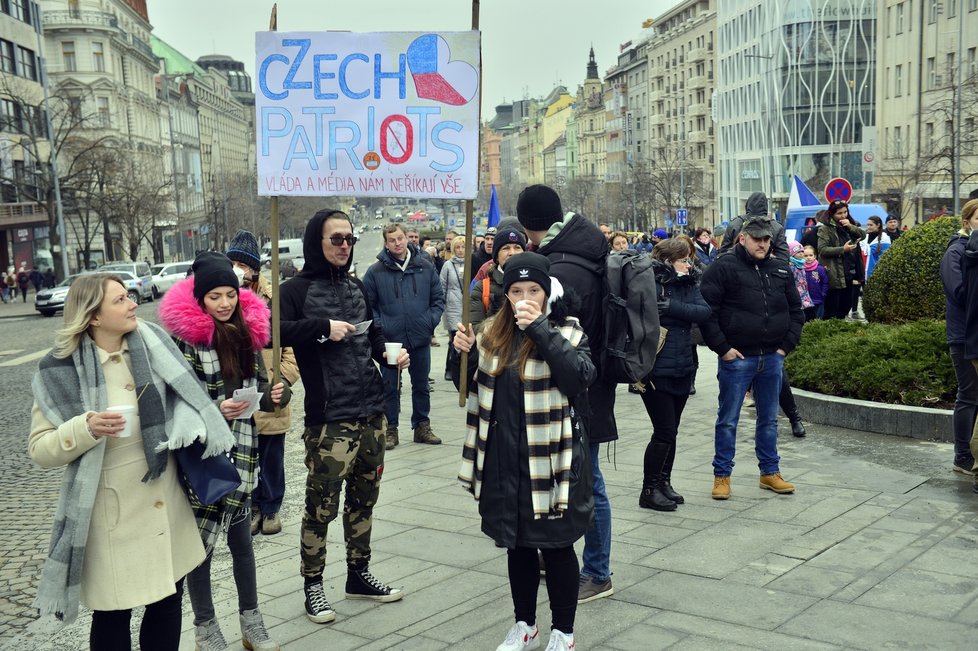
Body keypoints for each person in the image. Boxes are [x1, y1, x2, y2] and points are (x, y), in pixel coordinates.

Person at [29, 273, 234, 650]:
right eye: (121, 299)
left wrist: (215, 412)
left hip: (165, 500)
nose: (133, 303)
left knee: (168, 601)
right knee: (113, 613)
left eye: (129, 296)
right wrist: (85, 427)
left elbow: (184, 405)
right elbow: (40, 450)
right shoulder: (59, 369)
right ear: (93, 316)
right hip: (111, 514)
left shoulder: (153, 344)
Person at [453, 252, 595, 651]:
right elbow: (464, 386)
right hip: (503, 458)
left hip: (551, 460)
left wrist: (540, 330)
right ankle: (525, 624)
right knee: (517, 545)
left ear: (548, 293)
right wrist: (458, 351)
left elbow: (579, 377)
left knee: (557, 546)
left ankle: (563, 631)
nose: (525, 296)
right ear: (506, 294)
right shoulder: (489, 332)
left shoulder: (567, 330)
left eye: (534, 289)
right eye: (517, 290)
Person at [279, 209, 407, 624]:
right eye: (336, 239)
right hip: (330, 419)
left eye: (349, 239)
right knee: (321, 507)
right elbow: (272, 330)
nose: (345, 246)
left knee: (363, 501)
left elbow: (372, 335)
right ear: (317, 241)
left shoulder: (355, 286)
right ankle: (313, 586)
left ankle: (358, 574)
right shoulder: (294, 289)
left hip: (371, 411)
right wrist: (321, 328)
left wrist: (392, 354)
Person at [158, 252, 289, 651]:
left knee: (242, 545)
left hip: (244, 448)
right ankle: (206, 629)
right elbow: (174, 402)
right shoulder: (186, 342)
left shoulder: (246, 333)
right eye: (214, 296)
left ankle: (252, 623)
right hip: (204, 456)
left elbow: (262, 395)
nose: (225, 303)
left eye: (230, 294)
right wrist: (213, 411)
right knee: (202, 548)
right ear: (200, 299)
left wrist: (277, 395)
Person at [515, 184, 616, 604]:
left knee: (586, 481)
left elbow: (565, 337)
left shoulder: (561, 267)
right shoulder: (582, 249)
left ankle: (596, 570)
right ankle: (567, 559)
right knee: (578, 478)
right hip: (591, 384)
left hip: (579, 389)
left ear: (527, 225)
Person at [700, 217, 805, 500]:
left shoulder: (780, 267)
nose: (762, 243)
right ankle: (722, 476)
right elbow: (706, 311)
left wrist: (786, 346)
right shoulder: (723, 267)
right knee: (728, 420)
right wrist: (723, 348)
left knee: (769, 419)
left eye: (766, 239)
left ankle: (770, 472)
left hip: (772, 357)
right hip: (738, 358)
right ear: (742, 238)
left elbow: (797, 310)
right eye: (757, 238)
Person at [225, 230, 301, 536]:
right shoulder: (225, 299)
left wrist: (280, 380)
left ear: (254, 268)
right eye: (232, 263)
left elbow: (292, 350)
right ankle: (253, 506)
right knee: (246, 454)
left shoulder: (273, 301)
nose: (237, 269)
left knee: (272, 456)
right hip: (241, 393)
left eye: (242, 265)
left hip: (271, 391)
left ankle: (271, 508)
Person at [637, 238, 711, 511]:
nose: (689, 264)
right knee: (664, 431)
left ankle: (663, 482)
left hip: (683, 367)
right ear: (668, 261)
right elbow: (648, 315)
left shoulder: (688, 282)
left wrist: (674, 310)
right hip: (656, 369)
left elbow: (704, 312)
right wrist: (679, 314)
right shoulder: (650, 282)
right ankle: (648, 490)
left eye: (689, 259)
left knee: (672, 431)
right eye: (683, 259)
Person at [363, 223, 445, 446]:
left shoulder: (425, 267)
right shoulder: (375, 272)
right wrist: (382, 327)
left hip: (419, 337)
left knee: (421, 385)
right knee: (390, 387)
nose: (397, 243)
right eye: (392, 240)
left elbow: (438, 299)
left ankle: (422, 426)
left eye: (400, 238)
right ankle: (391, 428)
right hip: (391, 342)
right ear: (386, 244)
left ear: (406, 239)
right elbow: (368, 307)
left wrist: (429, 322)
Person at [940, 199, 978, 475]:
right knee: (969, 394)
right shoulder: (956, 252)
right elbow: (960, 293)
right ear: (967, 222)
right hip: (964, 334)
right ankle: (962, 455)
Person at [469, 225, 527, 329]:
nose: (512, 253)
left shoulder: (534, 284)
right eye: (506, 248)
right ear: (496, 256)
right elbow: (475, 328)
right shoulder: (482, 288)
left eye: (517, 248)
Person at [818, 200, 865, 319]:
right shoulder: (825, 229)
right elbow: (822, 250)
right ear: (832, 214)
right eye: (839, 213)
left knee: (846, 306)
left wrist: (850, 226)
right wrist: (842, 249)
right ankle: (830, 333)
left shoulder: (849, 225)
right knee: (832, 309)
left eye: (845, 212)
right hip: (834, 274)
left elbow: (862, 235)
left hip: (849, 272)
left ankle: (841, 333)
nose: (843, 216)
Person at [720, 192, 790, 260]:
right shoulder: (776, 227)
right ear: (766, 206)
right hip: (765, 269)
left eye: (765, 239)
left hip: (737, 268)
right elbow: (783, 257)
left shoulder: (735, 224)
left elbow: (723, 254)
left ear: (748, 204)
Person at [440, 236, 469, 383]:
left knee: (467, 338)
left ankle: (465, 368)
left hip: (468, 306)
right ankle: (450, 369)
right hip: (453, 308)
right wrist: (442, 308)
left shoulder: (471, 263)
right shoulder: (447, 266)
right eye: (457, 247)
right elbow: (442, 287)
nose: (460, 250)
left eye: (463, 247)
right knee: (454, 339)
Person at [802, 244, 829, 321]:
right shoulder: (801, 268)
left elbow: (825, 282)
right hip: (805, 300)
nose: (808, 257)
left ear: (815, 256)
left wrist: (823, 293)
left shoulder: (820, 269)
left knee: (818, 319)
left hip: (818, 298)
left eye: (811, 255)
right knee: (806, 319)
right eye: (805, 255)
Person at [860, 215, 892, 280]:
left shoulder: (884, 239)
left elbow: (886, 258)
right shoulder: (864, 237)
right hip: (862, 273)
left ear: (878, 225)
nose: (868, 227)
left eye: (871, 225)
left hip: (878, 274)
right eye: (867, 225)